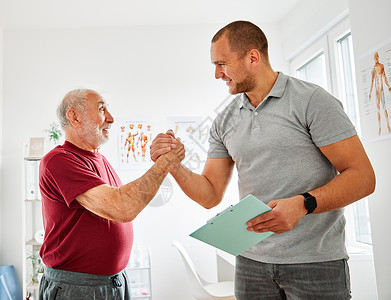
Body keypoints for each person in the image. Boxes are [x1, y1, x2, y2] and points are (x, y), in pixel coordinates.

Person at [150, 21, 376, 299]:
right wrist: (173, 165)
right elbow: (209, 194)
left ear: (253, 57)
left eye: (222, 64)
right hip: (250, 265)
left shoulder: (312, 101)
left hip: (315, 264)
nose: (217, 74)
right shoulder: (225, 119)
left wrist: (304, 204)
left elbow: (363, 177)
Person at [38, 88, 184, 300]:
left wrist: (163, 161)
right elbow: (123, 207)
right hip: (78, 288)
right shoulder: (59, 160)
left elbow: (125, 201)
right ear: (74, 116)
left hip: (113, 282)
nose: (111, 118)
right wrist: (164, 164)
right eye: (101, 109)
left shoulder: (99, 160)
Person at [369, 51, 391, 135]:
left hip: (381, 90)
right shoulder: (373, 69)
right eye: (375, 57)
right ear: (374, 58)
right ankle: (380, 127)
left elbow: (385, 77)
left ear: (378, 57)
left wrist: (389, 86)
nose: (376, 58)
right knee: (378, 109)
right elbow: (372, 82)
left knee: (384, 108)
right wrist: (370, 92)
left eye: (377, 56)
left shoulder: (381, 66)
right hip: (376, 91)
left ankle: (388, 125)